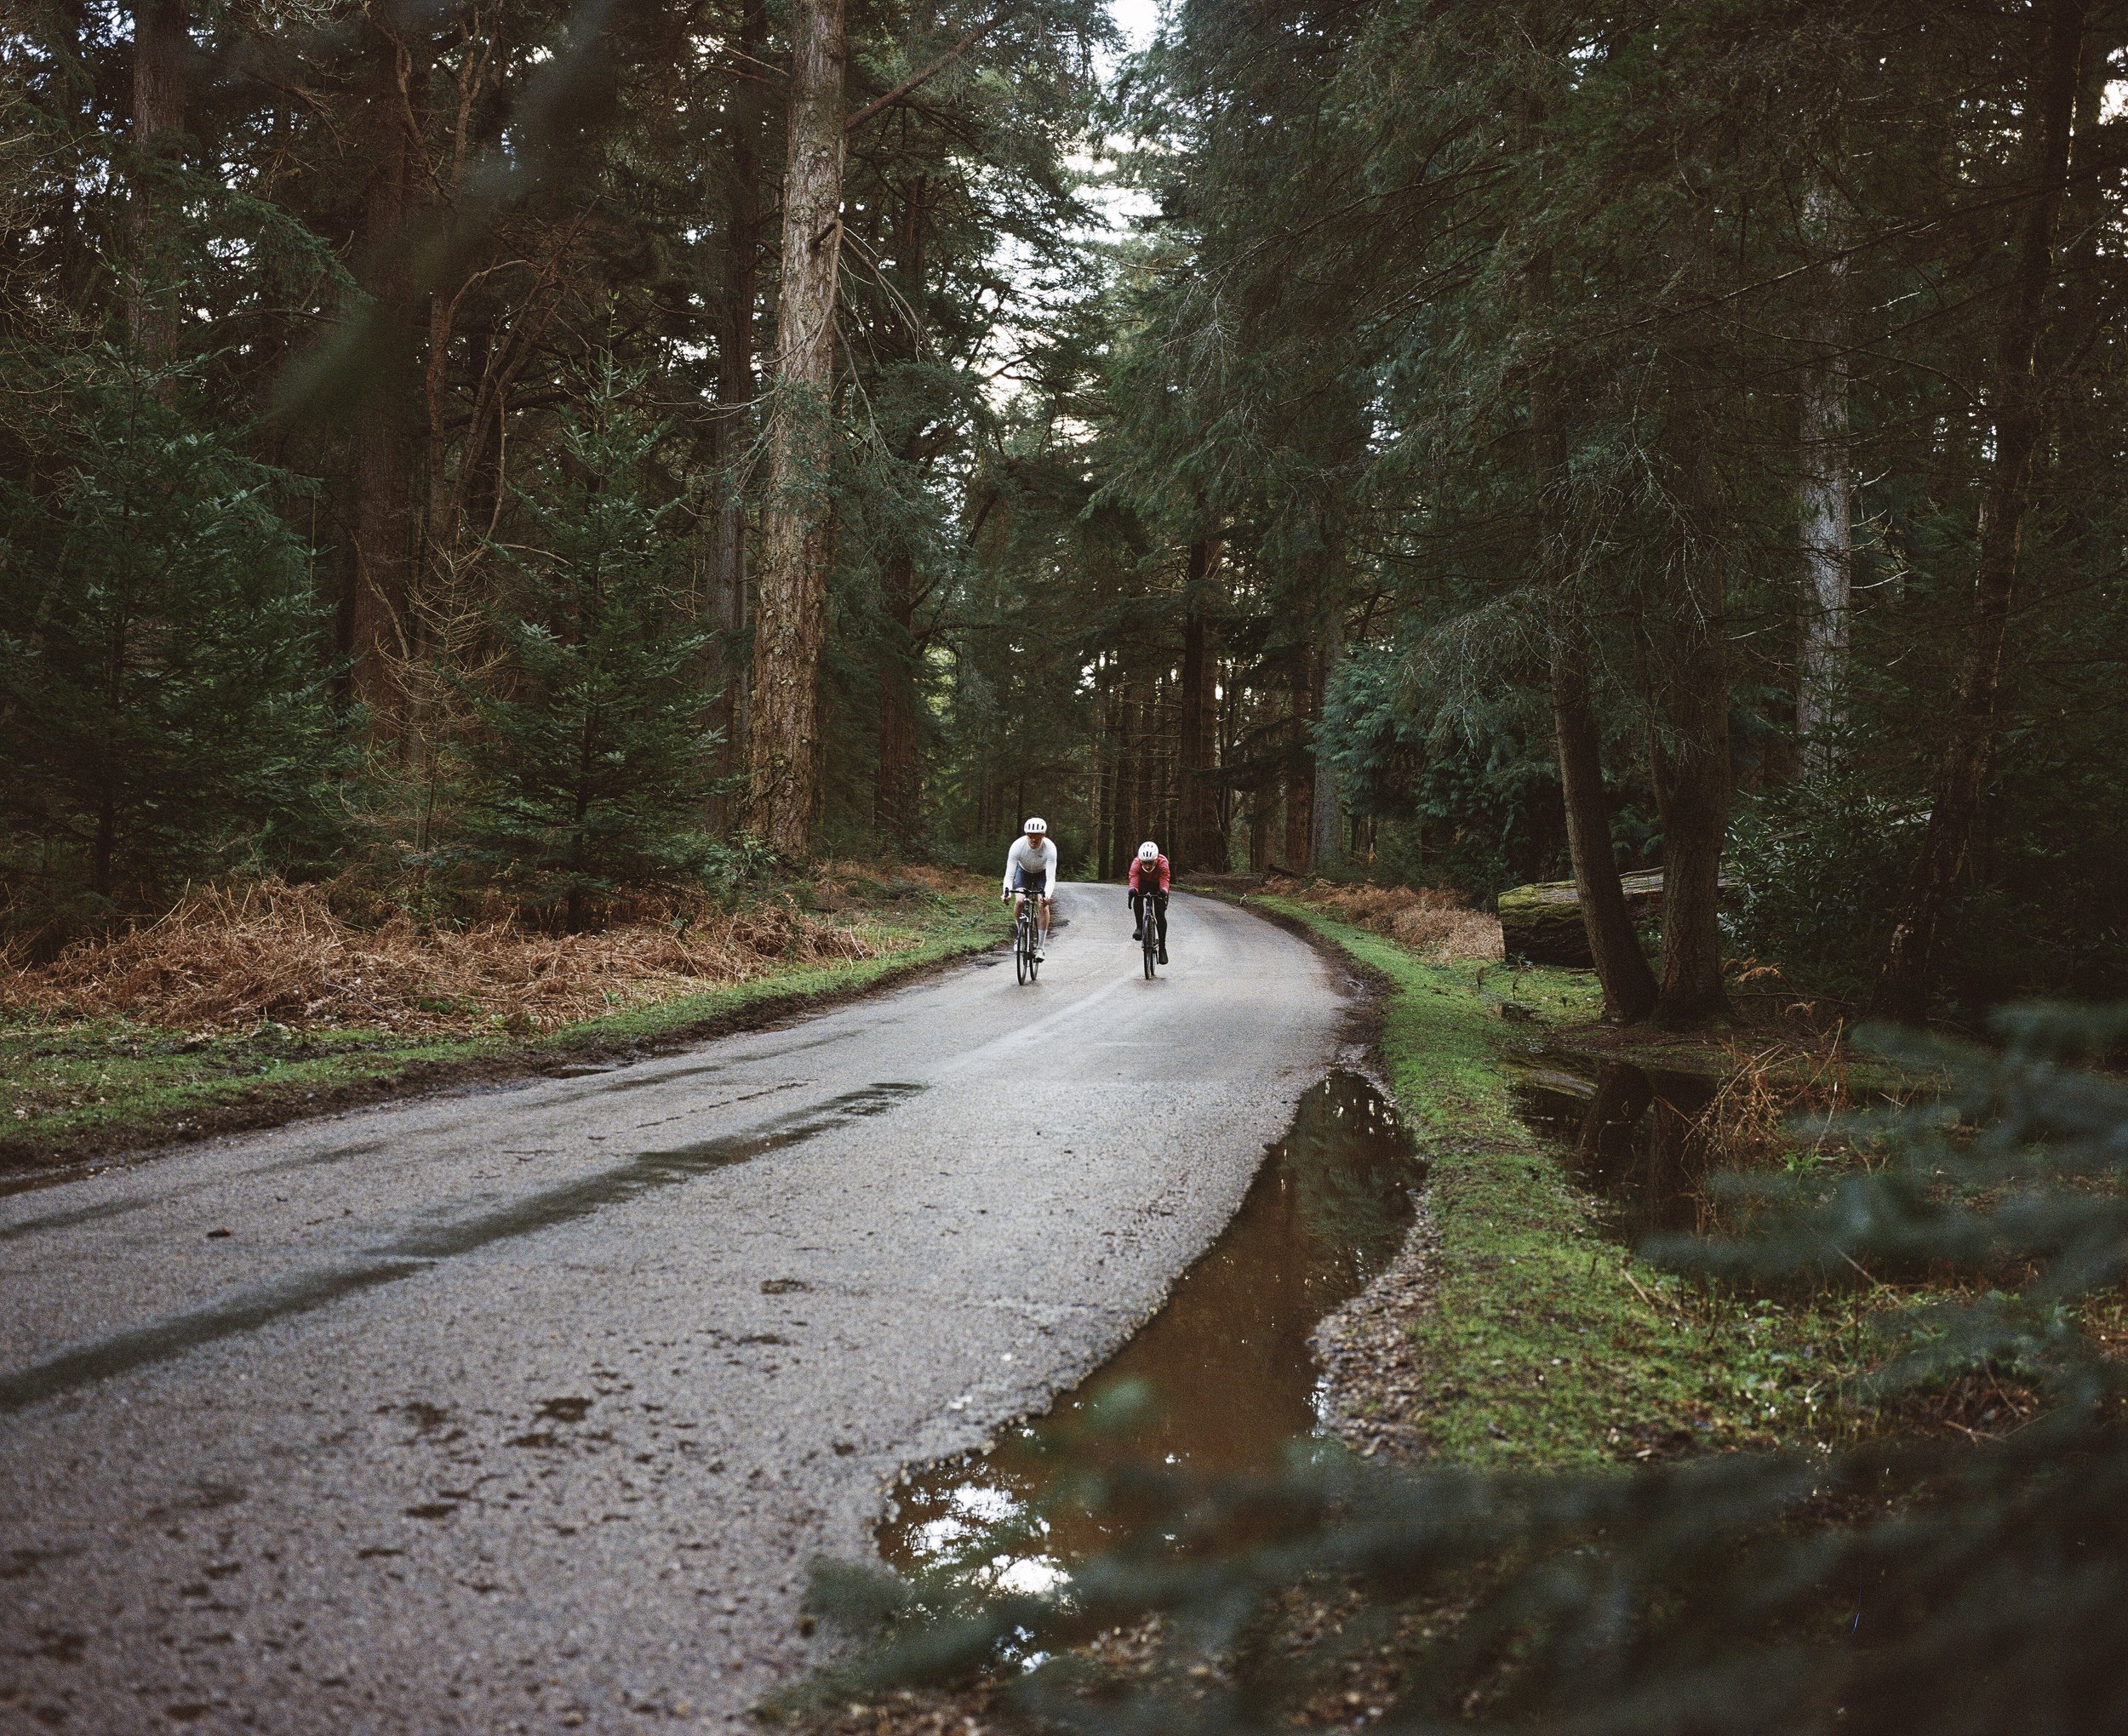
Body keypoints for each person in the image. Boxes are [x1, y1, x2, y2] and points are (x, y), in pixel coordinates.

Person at [1001, 817, 1058, 960]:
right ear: (1026, 834)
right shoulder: (1017, 846)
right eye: (1030, 836)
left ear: (1043, 836)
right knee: (1019, 901)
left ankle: (1040, 948)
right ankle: (1020, 936)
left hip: (1042, 874)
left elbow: (1051, 878)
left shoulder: (1050, 848)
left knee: (1043, 905)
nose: (1033, 840)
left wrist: (1047, 896)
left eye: (1037, 837)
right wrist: (1006, 893)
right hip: (1023, 872)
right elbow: (1009, 875)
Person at [1129, 840, 1170, 965]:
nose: (1147, 866)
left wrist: (1163, 890)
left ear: (1156, 860)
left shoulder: (1163, 863)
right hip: (1143, 883)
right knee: (1137, 896)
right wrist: (1133, 890)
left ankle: (1162, 948)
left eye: (1150, 863)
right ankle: (1140, 927)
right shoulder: (1136, 863)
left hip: (1158, 885)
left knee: (1160, 914)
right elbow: (1133, 879)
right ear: (1140, 861)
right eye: (1144, 863)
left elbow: (1165, 879)